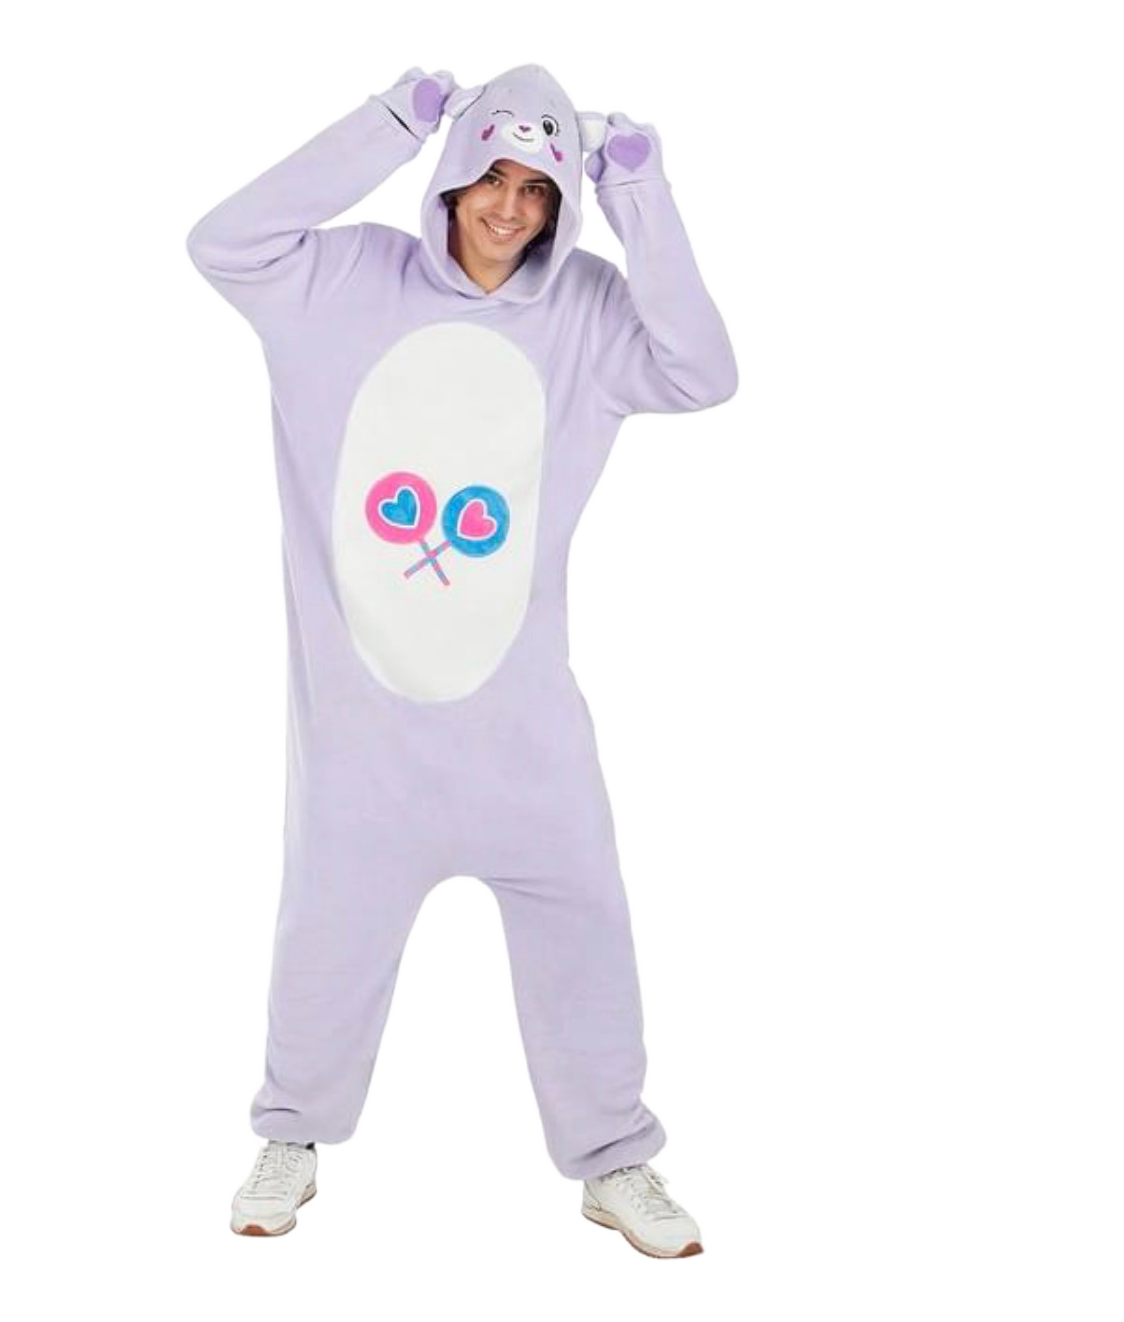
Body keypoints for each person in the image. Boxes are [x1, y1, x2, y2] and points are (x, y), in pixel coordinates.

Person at [186, 62, 737, 1260]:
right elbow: (220, 239)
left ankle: (612, 1157)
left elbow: (704, 370)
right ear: (449, 174)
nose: (507, 207)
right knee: (324, 937)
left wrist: (641, 195)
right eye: (489, 174)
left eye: (538, 187)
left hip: (524, 735)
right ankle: (292, 1132)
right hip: (363, 742)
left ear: (562, 201)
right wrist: (385, 122)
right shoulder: (336, 282)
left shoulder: (585, 311)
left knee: (586, 925)